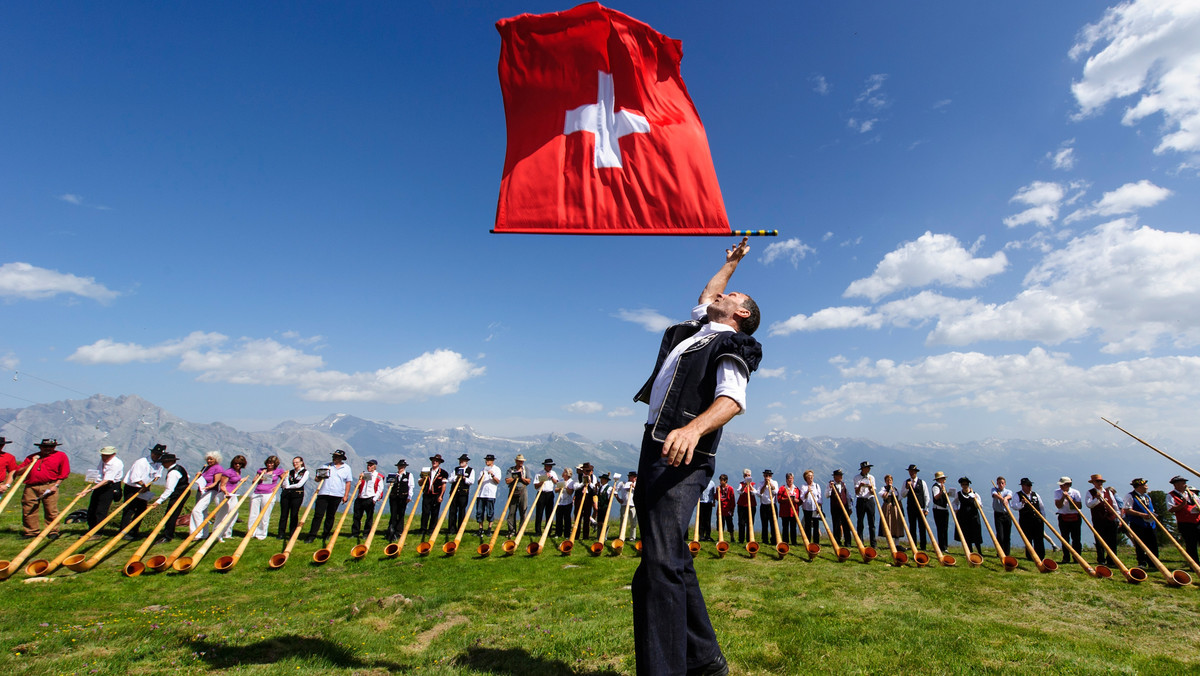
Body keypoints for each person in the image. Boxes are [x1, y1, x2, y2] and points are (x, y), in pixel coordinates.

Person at [630, 237, 762, 676]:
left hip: (684, 453)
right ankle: (705, 662)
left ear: (741, 314)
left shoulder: (732, 345)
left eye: (733, 296)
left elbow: (732, 401)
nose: (720, 296)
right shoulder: (698, 331)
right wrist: (733, 264)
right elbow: (707, 297)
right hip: (657, 444)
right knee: (671, 558)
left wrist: (692, 428)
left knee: (659, 565)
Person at [16, 439, 72, 539]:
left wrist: (56, 485)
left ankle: (52, 531)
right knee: (29, 509)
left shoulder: (61, 456)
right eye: (45, 447)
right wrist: (32, 462)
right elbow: (19, 471)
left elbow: (64, 472)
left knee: (51, 510)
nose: (48, 449)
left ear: (54, 447)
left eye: (51, 447)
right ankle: (31, 532)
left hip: (50, 485)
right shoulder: (32, 457)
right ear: (40, 447)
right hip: (31, 487)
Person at [305, 450, 354, 543]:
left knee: (330, 515)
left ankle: (326, 534)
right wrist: (319, 477)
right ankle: (312, 535)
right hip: (323, 493)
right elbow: (316, 479)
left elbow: (348, 482)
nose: (334, 458)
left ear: (341, 458)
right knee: (318, 515)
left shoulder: (346, 468)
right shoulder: (325, 466)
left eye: (336, 457)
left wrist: (346, 495)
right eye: (334, 456)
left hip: (336, 494)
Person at [119, 443, 165, 540]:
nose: (156, 456)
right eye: (155, 454)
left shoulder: (159, 463)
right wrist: (143, 485)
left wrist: (150, 483)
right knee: (129, 509)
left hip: (145, 487)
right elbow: (134, 478)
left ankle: (134, 530)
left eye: (159, 455)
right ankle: (124, 531)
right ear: (152, 453)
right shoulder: (141, 462)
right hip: (133, 487)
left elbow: (157, 475)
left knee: (141, 509)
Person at [1084, 473, 1121, 566]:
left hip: (1111, 518)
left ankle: (1112, 559)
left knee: (1112, 540)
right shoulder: (1090, 492)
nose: (1100, 483)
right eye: (1097, 481)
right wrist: (1096, 499)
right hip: (1099, 520)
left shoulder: (1108, 492)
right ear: (1093, 483)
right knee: (1100, 540)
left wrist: (1118, 517)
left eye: (1101, 481)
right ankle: (1101, 559)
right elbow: (1089, 505)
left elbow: (1115, 505)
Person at [189, 451, 227, 540]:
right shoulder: (206, 468)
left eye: (211, 459)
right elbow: (204, 479)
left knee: (197, 510)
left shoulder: (218, 468)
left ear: (216, 459)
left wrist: (209, 487)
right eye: (208, 459)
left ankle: (198, 533)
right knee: (202, 512)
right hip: (202, 490)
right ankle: (203, 534)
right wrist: (198, 476)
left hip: (210, 491)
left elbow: (216, 482)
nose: (209, 461)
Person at [152, 453, 189, 543]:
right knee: (171, 513)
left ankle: (167, 536)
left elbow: (169, 489)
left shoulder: (173, 473)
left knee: (171, 514)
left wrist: (159, 501)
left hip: (179, 494)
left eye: (165, 462)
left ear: (171, 462)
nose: (163, 464)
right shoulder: (179, 468)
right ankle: (167, 533)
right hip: (182, 492)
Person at [86, 446, 124, 532]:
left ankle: (97, 532)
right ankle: (90, 529)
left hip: (110, 486)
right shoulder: (103, 460)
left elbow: (107, 480)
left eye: (107, 455)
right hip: (100, 484)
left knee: (101, 510)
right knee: (92, 509)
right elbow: (99, 473)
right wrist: (93, 480)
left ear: (113, 455)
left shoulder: (116, 464)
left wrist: (90, 489)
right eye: (103, 455)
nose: (105, 457)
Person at [248, 455, 286, 539]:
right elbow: (254, 481)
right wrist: (261, 476)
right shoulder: (261, 470)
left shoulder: (278, 471)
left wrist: (277, 487)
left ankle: (261, 534)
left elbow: (284, 480)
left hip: (268, 494)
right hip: (257, 492)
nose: (269, 465)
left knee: (265, 514)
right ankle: (251, 532)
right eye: (268, 463)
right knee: (253, 513)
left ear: (275, 464)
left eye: (272, 463)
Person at [1124, 478, 1158, 569]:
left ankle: (1153, 562)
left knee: (1153, 542)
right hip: (1138, 523)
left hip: (1150, 523)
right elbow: (1127, 509)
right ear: (1139, 486)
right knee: (1140, 543)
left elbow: (1152, 509)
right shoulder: (1130, 496)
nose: (1147, 487)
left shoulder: (1147, 497)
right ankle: (1142, 562)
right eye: (1145, 485)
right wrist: (1141, 514)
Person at [1167, 475, 1199, 564]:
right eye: (1183, 483)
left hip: (1197, 521)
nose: (1185, 485)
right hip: (1185, 523)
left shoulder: (1191, 494)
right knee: (1191, 545)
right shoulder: (1171, 495)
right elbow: (1171, 509)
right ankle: (1194, 565)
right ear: (1176, 485)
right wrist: (1183, 504)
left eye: (1185, 483)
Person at [215, 455, 247, 541]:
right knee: (222, 516)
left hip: (233, 495)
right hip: (224, 495)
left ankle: (227, 533)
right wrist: (226, 493)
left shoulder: (238, 471)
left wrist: (241, 480)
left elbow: (234, 480)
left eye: (240, 464)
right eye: (236, 463)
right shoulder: (228, 472)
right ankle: (217, 535)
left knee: (233, 514)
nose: (237, 465)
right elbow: (222, 486)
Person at [1053, 477, 1084, 564]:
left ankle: (1077, 558)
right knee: (1065, 538)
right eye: (1061, 485)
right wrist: (1063, 497)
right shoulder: (1057, 492)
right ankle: (1066, 557)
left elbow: (1079, 506)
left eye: (1063, 485)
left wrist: (1070, 499)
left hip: (1075, 517)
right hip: (1063, 516)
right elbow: (1058, 505)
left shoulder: (1075, 492)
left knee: (1076, 538)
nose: (1061, 486)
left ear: (1068, 485)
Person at [351, 459, 384, 538]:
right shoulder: (364, 474)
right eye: (368, 465)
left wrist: (374, 499)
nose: (369, 466)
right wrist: (359, 480)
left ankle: (366, 533)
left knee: (369, 517)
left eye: (371, 465)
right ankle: (355, 533)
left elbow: (380, 489)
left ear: (374, 467)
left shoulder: (378, 476)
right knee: (357, 516)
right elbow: (358, 486)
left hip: (370, 498)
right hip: (360, 497)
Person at [1014, 478, 1046, 561]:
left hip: (1037, 520)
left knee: (1039, 538)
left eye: (1030, 485)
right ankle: (1030, 556)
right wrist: (1022, 503)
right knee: (1028, 538)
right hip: (1026, 521)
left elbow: (1041, 507)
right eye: (1028, 485)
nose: (1029, 487)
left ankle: (1040, 555)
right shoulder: (1018, 495)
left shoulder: (1036, 494)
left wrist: (1043, 518)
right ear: (1023, 486)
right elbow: (1014, 506)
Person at [278, 456, 309, 541]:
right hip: (286, 495)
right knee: (284, 514)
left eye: (297, 462)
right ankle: (281, 533)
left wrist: (288, 487)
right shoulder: (290, 472)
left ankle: (292, 534)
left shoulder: (305, 472)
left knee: (294, 514)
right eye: (294, 463)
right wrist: (285, 480)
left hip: (297, 495)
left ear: (301, 462)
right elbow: (285, 483)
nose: (295, 464)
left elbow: (299, 484)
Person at [900, 464, 930, 550]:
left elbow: (926, 496)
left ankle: (923, 546)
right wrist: (907, 488)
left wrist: (926, 509)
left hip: (921, 508)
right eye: (910, 471)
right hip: (911, 508)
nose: (911, 473)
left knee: (922, 527)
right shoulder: (906, 482)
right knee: (912, 527)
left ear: (916, 472)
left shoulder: (922, 482)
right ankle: (913, 545)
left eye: (913, 471)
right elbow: (902, 495)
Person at [419, 454, 449, 536]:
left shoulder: (443, 473)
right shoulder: (426, 471)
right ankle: (423, 529)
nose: (434, 462)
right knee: (425, 512)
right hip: (427, 494)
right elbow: (420, 483)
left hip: (436, 494)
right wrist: (423, 478)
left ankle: (431, 529)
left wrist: (441, 496)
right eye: (433, 460)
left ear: (439, 462)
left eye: (436, 461)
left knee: (434, 513)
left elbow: (444, 485)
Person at [952, 478, 983, 554]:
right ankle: (970, 551)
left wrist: (975, 499)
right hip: (963, 517)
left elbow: (980, 505)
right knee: (966, 534)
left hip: (974, 516)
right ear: (961, 485)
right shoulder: (959, 494)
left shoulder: (974, 494)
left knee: (976, 533)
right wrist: (956, 509)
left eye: (966, 484)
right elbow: (954, 503)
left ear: (968, 485)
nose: (965, 486)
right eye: (963, 484)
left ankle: (979, 551)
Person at [446, 454, 475, 535]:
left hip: (463, 493)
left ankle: (460, 529)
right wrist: (456, 477)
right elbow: (450, 479)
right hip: (454, 493)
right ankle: (451, 529)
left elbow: (471, 481)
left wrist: (464, 478)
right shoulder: (456, 469)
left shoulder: (470, 470)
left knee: (462, 511)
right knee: (452, 511)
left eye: (462, 460)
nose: (461, 462)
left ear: (466, 462)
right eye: (460, 460)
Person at [385, 459, 413, 541]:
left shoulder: (408, 475)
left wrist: (409, 496)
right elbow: (388, 486)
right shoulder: (394, 475)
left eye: (402, 466)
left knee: (401, 513)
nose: (400, 468)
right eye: (399, 466)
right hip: (394, 497)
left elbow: (411, 486)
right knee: (393, 513)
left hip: (403, 497)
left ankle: (399, 531)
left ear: (405, 467)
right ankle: (391, 530)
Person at [505, 454, 531, 537]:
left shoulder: (526, 469)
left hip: (523, 490)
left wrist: (522, 478)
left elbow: (528, 481)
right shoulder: (511, 469)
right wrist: (515, 477)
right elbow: (507, 481)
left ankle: (521, 531)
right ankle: (511, 530)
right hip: (513, 490)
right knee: (512, 512)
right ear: (516, 461)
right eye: (519, 461)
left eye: (522, 461)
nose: (521, 462)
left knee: (523, 511)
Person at [476, 454, 503, 536]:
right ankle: (480, 528)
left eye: (488, 460)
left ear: (492, 461)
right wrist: (483, 475)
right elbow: (478, 482)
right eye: (486, 459)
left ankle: (489, 529)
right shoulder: (483, 469)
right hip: (481, 494)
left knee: (490, 512)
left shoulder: (497, 469)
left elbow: (497, 481)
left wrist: (492, 475)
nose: (486, 461)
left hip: (491, 494)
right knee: (480, 511)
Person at [533, 458, 559, 537]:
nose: (550, 467)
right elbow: (535, 486)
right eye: (548, 466)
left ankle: (548, 531)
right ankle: (538, 531)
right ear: (545, 466)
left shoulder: (553, 473)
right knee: (539, 513)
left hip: (550, 494)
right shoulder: (539, 474)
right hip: (541, 493)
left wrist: (551, 478)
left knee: (549, 513)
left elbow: (557, 483)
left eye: (551, 466)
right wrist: (542, 481)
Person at [854, 461, 877, 548]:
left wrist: (871, 488)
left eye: (869, 468)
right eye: (867, 467)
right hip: (860, 500)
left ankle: (873, 543)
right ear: (863, 469)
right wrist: (860, 486)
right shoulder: (857, 478)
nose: (869, 469)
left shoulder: (872, 477)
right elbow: (856, 492)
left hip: (870, 500)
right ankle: (860, 542)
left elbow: (873, 493)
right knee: (860, 522)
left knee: (872, 522)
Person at [991, 477, 1015, 556]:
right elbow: (994, 495)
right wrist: (1002, 498)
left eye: (1002, 483)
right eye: (999, 483)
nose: (1000, 485)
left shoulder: (1008, 491)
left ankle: (1007, 554)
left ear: (1005, 484)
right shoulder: (994, 490)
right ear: (997, 483)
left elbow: (1009, 496)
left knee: (1007, 536)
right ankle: (1000, 553)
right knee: (1000, 535)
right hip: (998, 515)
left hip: (1007, 515)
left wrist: (1005, 498)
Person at [879, 474, 904, 548]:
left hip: (895, 508)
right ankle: (889, 544)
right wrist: (888, 489)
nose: (889, 481)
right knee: (888, 525)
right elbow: (884, 496)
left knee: (896, 525)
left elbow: (899, 499)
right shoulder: (883, 488)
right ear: (885, 481)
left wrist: (901, 510)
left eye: (890, 480)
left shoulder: (896, 489)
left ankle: (896, 544)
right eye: (887, 480)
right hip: (887, 507)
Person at [575, 463, 599, 540]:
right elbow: (575, 487)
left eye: (589, 470)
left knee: (587, 515)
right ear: (583, 470)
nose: (588, 472)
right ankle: (576, 535)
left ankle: (586, 536)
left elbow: (595, 489)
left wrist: (590, 483)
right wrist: (583, 483)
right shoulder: (578, 476)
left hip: (588, 498)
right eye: (587, 470)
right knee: (577, 516)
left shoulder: (593, 477)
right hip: (579, 497)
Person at [828, 469, 852, 547]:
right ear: (835, 477)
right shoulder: (830, 485)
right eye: (839, 475)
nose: (841, 477)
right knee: (836, 524)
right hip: (835, 508)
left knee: (846, 524)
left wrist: (849, 507)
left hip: (844, 507)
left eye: (841, 475)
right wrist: (830, 488)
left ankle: (848, 542)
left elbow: (847, 496)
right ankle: (837, 541)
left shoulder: (843, 484)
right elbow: (827, 495)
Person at [799, 470, 822, 545]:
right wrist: (807, 492)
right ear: (806, 477)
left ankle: (816, 542)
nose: (811, 477)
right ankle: (808, 541)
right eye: (809, 476)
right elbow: (802, 498)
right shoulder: (803, 486)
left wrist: (819, 507)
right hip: (807, 508)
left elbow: (819, 497)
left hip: (815, 508)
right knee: (808, 525)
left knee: (816, 525)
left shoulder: (816, 486)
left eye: (812, 475)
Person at [930, 471, 951, 552]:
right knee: (940, 528)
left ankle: (945, 546)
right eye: (943, 478)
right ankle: (941, 546)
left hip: (944, 509)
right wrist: (942, 491)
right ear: (939, 479)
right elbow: (936, 497)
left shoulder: (943, 486)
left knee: (945, 528)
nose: (944, 479)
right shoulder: (936, 487)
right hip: (938, 509)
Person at [777, 473, 800, 546]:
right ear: (786, 480)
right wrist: (788, 499)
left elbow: (800, 500)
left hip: (794, 511)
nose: (790, 480)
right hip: (785, 511)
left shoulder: (796, 489)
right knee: (785, 527)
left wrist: (796, 500)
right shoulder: (782, 488)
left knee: (793, 527)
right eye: (789, 479)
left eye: (791, 479)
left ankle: (794, 541)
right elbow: (779, 499)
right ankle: (785, 541)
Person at [758, 469, 778, 545]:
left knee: (773, 524)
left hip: (772, 505)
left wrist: (770, 484)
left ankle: (774, 540)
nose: (767, 477)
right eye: (766, 475)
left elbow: (776, 492)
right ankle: (765, 540)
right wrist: (765, 485)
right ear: (764, 476)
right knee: (764, 523)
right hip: (764, 505)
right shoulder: (761, 483)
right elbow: (759, 493)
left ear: (771, 476)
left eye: (769, 476)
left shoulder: (775, 482)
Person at [736, 469, 756, 544]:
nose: (747, 477)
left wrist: (750, 485)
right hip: (742, 505)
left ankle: (749, 539)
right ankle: (741, 539)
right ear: (743, 476)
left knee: (750, 522)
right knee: (741, 522)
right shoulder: (741, 484)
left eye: (748, 475)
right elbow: (739, 492)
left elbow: (755, 492)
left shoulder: (753, 484)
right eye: (746, 475)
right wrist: (744, 486)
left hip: (751, 505)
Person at [555, 467, 575, 538]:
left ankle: (567, 534)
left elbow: (570, 492)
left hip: (568, 502)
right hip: (560, 502)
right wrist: (560, 487)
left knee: (567, 518)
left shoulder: (571, 482)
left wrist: (566, 487)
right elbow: (556, 490)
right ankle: (558, 533)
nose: (563, 473)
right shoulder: (560, 480)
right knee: (559, 518)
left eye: (564, 472)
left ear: (567, 474)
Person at [716, 474, 735, 541]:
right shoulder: (718, 488)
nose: (721, 482)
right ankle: (720, 536)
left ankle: (732, 537)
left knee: (729, 523)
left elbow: (732, 500)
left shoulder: (730, 488)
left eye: (722, 480)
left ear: (725, 480)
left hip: (727, 508)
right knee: (720, 523)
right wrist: (717, 491)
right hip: (720, 508)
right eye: (720, 480)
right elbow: (717, 498)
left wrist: (732, 509)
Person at [699, 476, 716, 541]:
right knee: (701, 519)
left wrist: (714, 502)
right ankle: (701, 535)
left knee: (708, 519)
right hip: (702, 502)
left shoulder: (712, 483)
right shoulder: (701, 482)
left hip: (709, 502)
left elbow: (713, 493)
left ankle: (708, 535)